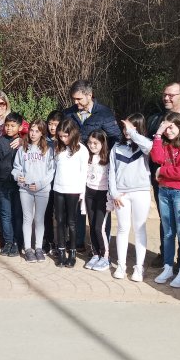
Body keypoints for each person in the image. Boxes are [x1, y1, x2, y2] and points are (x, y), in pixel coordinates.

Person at [62, 80, 121, 252]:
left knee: (100, 209)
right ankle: (77, 242)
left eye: (79, 99)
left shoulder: (104, 113)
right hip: (76, 168)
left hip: (99, 169)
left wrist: (107, 160)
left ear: (89, 95)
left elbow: (116, 138)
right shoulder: (68, 113)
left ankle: (102, 249)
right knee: (78, 204)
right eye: (73, 99)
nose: (76, 103)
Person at [147, 82, 180, 267]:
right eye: (165, 95)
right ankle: (165, 255)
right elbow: (153, 151)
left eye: (171, 95)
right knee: (165, 219)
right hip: (161, 181)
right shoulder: (154, 120)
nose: (166, 98)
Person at [150, 113, 180, 287]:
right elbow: (156, 158)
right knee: (168, 232)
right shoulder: (165, 145)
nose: (168, 131)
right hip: (163, 191)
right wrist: (158, 134)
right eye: (165, 127)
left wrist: (161, 172)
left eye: (171, 127)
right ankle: (167, 267)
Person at [109, 114, 152, 282]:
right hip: (121, 194)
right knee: (122, 228)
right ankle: (121, 265)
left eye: (131, 127)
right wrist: (114, 193)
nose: (127, 130)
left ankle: (139, 268)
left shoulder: (144, 144)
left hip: (141, 192)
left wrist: (134, 134)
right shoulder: (116, 146)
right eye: (125, 127)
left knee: (139, 228)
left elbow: (150, 147)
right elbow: (112, 171)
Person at [12, 119, 55, 263]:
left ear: (42, 133)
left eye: (37, 131)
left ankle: (38, 247)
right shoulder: (22, 148)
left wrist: (40, 184)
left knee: (39, 219)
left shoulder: (48, 149)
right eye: (31, 130)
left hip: (42, 190)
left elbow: (51, 171)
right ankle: (28, 248)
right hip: (25, 190)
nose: (33, 133)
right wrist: (18, 176)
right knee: (27, 218)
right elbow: (16, 167)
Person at [53, 118, 89, 268]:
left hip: (74, 190)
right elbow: (55, 167)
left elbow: (83, 173)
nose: (63, 139)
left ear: (72, 133)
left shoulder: (82, 149)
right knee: (59, 221)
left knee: (72, 222)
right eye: (60, 136)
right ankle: (61, 251)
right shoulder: (58, 148)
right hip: (58, 189)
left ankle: (72, 252)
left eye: (65, 136)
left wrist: (82, 193)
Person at [0, 113, 25, 257]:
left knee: (17, 214)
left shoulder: (24, 142)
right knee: (4, 214)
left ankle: (17, 242)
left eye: (12, 126)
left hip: (19, 186)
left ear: (20, 127)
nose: (9, 128)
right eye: (7, 125)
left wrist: (23, 140)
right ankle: (8, 241)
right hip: (2, 184)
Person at [83, 130, 111, 272]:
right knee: (92, 224)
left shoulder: (108, 158)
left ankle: (105, 256)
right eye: (90, 143)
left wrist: (111, 198)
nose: (92, 146)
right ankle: (95, 253)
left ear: (102, 143)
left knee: (99, 227)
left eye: (95, 143)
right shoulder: (87, 157)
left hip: (103, 196)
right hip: (89, 194)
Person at [43, 110, 64, 253]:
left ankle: (62, 242)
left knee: (61, 215)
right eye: (50, 124)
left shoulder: (64, 141)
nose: (52, 128)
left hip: (61, 184)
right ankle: (48, 240)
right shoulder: (42, 140)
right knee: (47, 213)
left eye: (55, 125)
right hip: (46, 183)